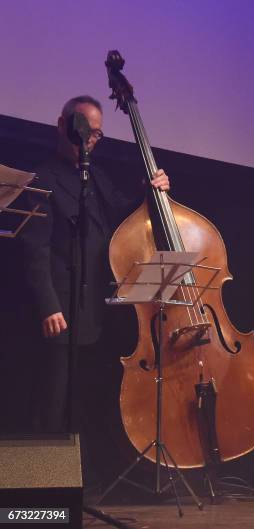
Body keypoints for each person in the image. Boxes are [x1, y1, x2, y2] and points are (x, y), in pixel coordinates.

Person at [20, 95, 170, 434]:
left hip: (96, 314)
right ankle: (46, 479)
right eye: (83, 128)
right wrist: (48, 306)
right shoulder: (42, 178)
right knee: (52, 403)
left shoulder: (97, 176)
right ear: (64, 126)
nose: (89, 138)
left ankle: (85, 480)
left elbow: (124, 215)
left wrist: (151, 191)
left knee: (87, 405)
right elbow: (35, 249)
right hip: (60, 312)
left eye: (97, 134)